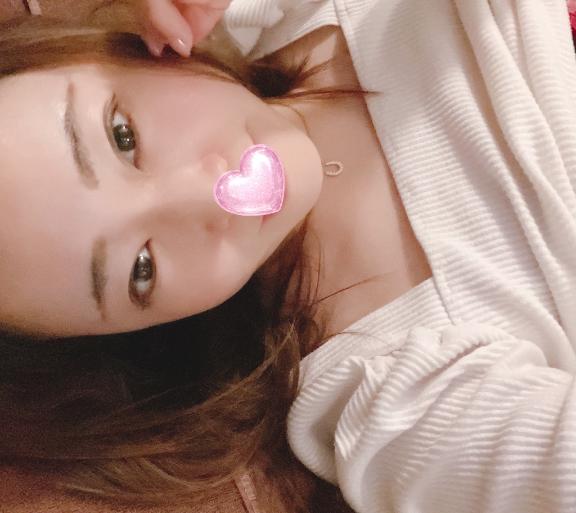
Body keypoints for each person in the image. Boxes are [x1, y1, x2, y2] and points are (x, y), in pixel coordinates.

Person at [1, 1, 576, 512]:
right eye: (141, 271)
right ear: (144, 333)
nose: (205, 197)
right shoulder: (392, 398)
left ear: (117, 51)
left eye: (122, 136)